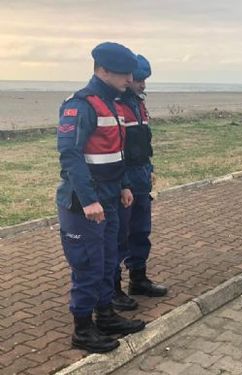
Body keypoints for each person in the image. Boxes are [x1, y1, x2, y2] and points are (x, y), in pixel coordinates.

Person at [56, 42, 146, 353]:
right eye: (123, 74)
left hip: (109, 196)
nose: (128, 79)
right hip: (85, 203)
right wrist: (90, 200)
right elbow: (70, 156)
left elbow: (115, 152)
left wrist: (122, 185)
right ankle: (82, 328)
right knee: (89, 265)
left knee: (109, 259)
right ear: (102, 70)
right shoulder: (81, 105)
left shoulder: (113, 105)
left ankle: (105, 315)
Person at [112, 54, 167, 312]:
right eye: (140, 80)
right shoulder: (113, 104)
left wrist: (150, 169)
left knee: (140, 230)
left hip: (141, 174)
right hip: (122, 177)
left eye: (145, 80)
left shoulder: (138, 104)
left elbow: (144, 141)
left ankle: (138, 278)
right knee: (118, 234)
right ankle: (113, 289)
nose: (143, 85)